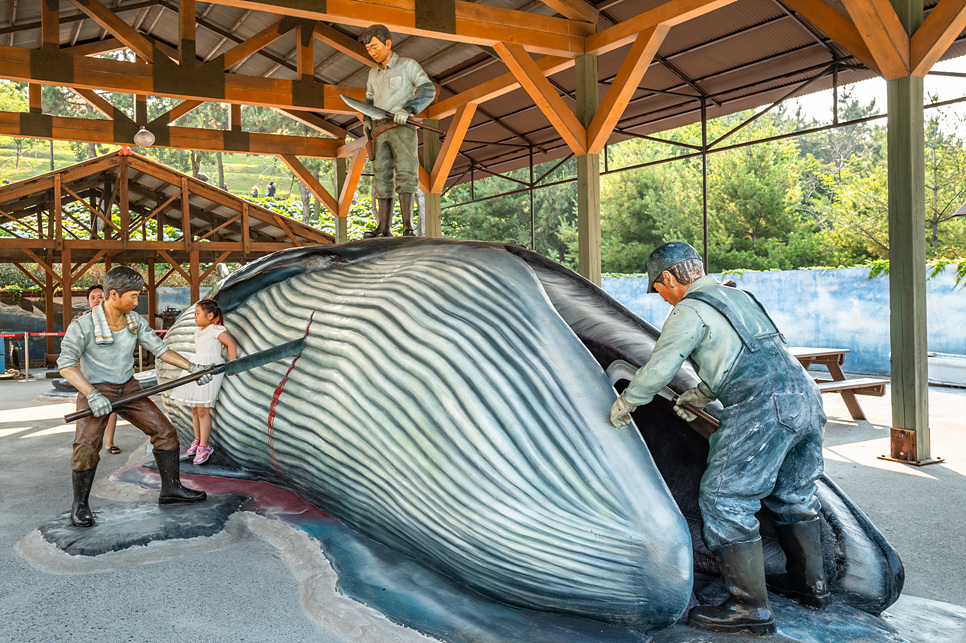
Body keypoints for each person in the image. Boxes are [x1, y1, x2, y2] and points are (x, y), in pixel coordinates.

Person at [610, 242, 829, 635]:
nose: (661, 296)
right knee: (794, 494)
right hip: (806, 398)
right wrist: (700, 394)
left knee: (724, 498)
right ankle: (811, 585)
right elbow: (745, 355)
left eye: (658, 287)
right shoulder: (739, 296)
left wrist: (628, 400)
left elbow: (662, 363)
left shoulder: (689, 309)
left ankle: (749, 607)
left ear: (672, 278)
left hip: (762, 407)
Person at [58, 267, 209, 528]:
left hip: (128, 388)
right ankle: (80, 504)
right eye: (133, 296)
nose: (136, 301)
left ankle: (171, 491)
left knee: (165, 433)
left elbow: (160, 349)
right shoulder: (82, 325)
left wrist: (192, 368)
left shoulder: (134, 321)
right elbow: (66, 365)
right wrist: (92, 394)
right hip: (94, 389)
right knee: (85, 446)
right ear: (113, 294)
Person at [359, 24, 436, 238]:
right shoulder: (372, 74)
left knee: (406, 173)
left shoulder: (408, 65)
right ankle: (383, 227)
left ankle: (408, 226)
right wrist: (366, 120)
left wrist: (409, 109)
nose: (372, 52)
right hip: (378, 130)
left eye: (375, 47)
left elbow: (428, 89)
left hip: (402, 127)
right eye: (368, 49)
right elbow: (369, 100)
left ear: (388, 43)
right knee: (381, 176)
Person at [171, 299, 236, 465]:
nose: (195, 317)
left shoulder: (217, 329)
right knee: (194, 408)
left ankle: (205, 446)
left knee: (203, 410)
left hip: (211, 368)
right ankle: (197, 439)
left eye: (197, 313)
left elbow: (230, 344)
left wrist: (233, 364)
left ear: (210, 315)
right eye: (195, 313)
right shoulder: (199, 331)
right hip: (196, 367)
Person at [74, 285, 121, 456]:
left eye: (100, 297)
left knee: (111, 406)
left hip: (111, 369)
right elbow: (75, 347)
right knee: (85, 408)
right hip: (88, 370)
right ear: (88, 300)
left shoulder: (117, 318)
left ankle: (110, 442)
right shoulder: (80, 319)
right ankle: (85, 444)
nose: (96, 300)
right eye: (92, 297)